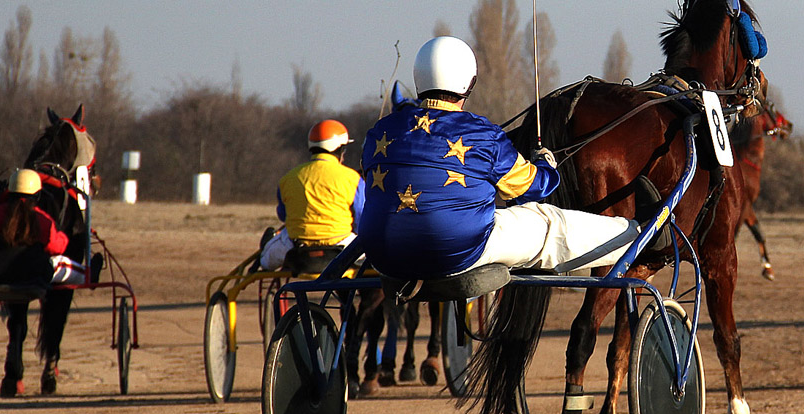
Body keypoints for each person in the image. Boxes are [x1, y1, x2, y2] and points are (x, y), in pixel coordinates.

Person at [359, 36, 643, 282]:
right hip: (456, 252)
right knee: (549, 223)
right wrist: (546, 165)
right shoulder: (482, 133)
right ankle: (638, 235)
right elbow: (533, 188)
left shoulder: (379, 132)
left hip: (383, 254)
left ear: (418, 78)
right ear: (469, 84)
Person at [0, 169, 77, 396]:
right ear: (37, 196)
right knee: (63, 266)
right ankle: (91, 272)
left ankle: (13, 373)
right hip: (33, 279)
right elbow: (59, 246)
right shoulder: (43, 220)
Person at [259, 119, 366, 272]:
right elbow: (362, 218)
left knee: (265, 260)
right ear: (339, 149)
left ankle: (268, 246)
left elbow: (284, 216)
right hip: (341, 248)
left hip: (295, 248)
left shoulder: (289, 178)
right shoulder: (353, 179)